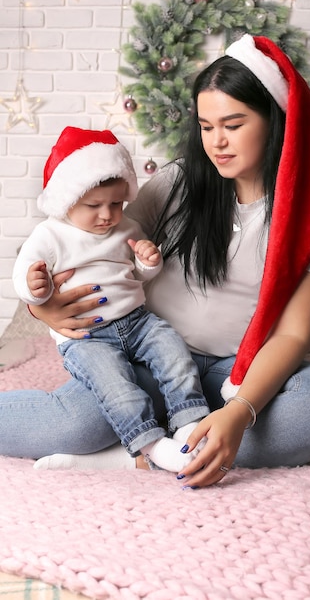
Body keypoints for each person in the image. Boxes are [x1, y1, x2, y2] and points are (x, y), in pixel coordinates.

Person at [0, 34, 310, 488]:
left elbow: (292, 333)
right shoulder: (179, 183)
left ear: (275, 120)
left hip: (234, 370)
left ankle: (141, 455)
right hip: (148, 354)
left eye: (234, 124)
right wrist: (40, 306)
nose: (217, 142)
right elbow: (85, 238)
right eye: (206, 127)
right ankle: (164, 436)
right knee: (77, 425)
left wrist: (239, 414)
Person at [11, 126, 210, 473]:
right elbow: (25, 276)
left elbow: (139, 275)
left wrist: (149, 260)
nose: (107, 215)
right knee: (116, 386)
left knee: (174, 355)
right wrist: (35, 286)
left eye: (117, 203)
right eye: (94, 206)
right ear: (66, 200)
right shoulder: (50, 234)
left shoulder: (128, 228)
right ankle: (150, 443)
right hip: (88, 337)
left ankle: (189, 421)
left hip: (138, 322)